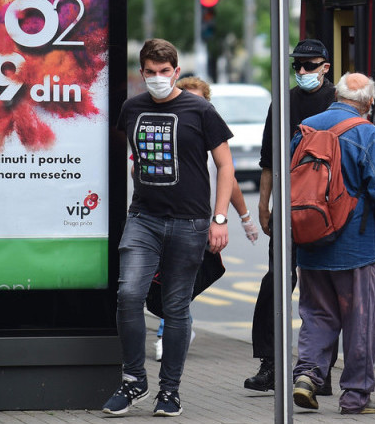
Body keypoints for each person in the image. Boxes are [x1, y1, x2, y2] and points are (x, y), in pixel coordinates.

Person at [105, 39, 235, 417]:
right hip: (143, 218)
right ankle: (134, 381)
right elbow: (134, 158)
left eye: (165, 72)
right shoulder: (132, 108)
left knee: (176, 307)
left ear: (177, 71)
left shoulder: (200, 110)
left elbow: (225, 165)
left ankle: (170, 391)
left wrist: (220, 218)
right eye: (151, 72)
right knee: (129, 295)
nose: (158, 78)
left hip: (190, 222)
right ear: (141, 72)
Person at [290, 73, 375, 415]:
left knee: (316, 314)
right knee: (359, 321)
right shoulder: (368, 133)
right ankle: (355, 397)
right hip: (354, 246)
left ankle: (307, 375)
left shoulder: (305, 128)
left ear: (335, 95)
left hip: (309, 241)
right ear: (369, 103)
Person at [246, 39, 339, 393]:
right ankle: (269, 364)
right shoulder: (284, 101)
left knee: (323, 289)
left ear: (326, 67)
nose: (302, 72)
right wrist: (263, 205)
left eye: (309, 65)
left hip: (327, 210)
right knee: (276, 283)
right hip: (288, 207)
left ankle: (321, 371)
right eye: (296, 66)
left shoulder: (339, 102)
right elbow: (269, 159)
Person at [149, 77, 261, 362]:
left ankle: (169, 330)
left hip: (200, 222)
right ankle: (172, 328)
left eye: (198, 101)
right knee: (170, 279)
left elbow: (231, 179)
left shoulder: (212, 141)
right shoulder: (165, 133)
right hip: (164, 218)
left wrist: (244, 219)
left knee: (181, 279)